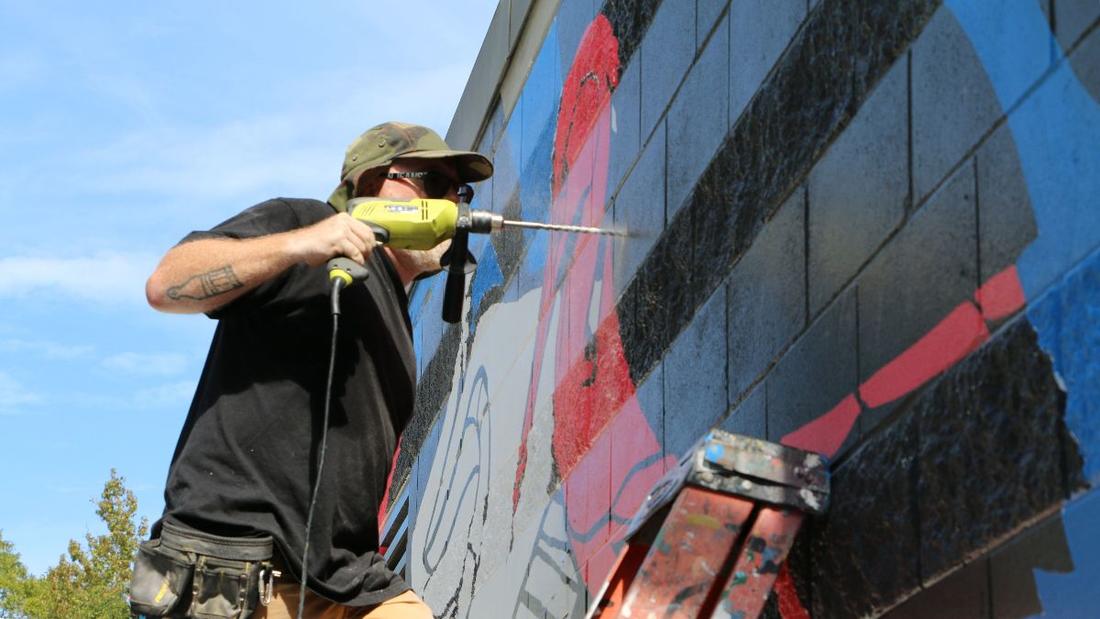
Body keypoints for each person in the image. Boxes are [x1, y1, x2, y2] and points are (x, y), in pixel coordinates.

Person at [133, 121, 493, 618]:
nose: (454, 205)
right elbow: (165, 284)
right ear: (371, 186)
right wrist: (297, 245)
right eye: (434, 185)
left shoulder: (398, 318)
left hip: (347, 578)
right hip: (239, 567)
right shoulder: (303, 224)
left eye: (461, 191)